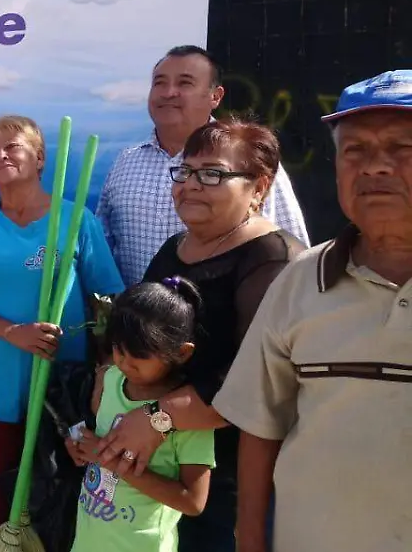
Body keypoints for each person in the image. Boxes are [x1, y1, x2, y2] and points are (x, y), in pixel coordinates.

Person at [213, 70, 412, 552]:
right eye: (356, 151)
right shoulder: (300, 279)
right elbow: (261, 427)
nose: (375, 167)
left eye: (402, 148)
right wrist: (250, 540)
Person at [95, 118, 304, 552]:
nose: (190, 185)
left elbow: (257, 379)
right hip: (153, 470)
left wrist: (157, 418)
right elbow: (131, 331)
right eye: (185, 171)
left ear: (259, 185)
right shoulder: (174, 249)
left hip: (227, 473)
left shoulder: (273, 260)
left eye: (212, 174)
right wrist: (104, 393)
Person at [0, 115, 125, 541]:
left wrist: (105, 373)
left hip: (64, 382)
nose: (1, 155)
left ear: (40, 158)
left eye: (12, 147)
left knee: (60, 486)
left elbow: (109, 300)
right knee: (1, 487)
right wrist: (12, 332)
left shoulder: (76, 219)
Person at [96, 45, 309, 286]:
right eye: (159, 83)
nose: (169, 93)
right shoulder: (126, 163)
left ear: (215, 96)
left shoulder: (249, 161)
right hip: (139, 318)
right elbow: (101, 250)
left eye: (184, 83)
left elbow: (295, 259)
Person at [66, 278, 215, 552]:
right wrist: (76, 440)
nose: (124, 362)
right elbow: (97, 432)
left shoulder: (189, 417)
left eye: (139, 355)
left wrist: (107, 460)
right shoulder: (111, 380)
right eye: (118, 349)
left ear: (181, 352)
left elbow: (193, 501)